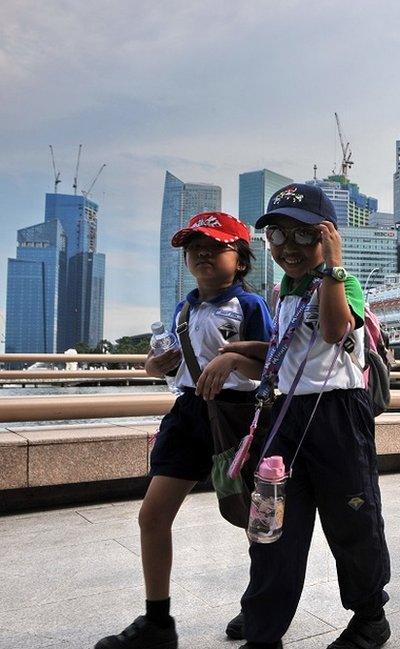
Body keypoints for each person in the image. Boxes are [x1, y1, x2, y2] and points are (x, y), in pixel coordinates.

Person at [96, 212, 271, 649]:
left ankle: (265, 604)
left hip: (237, 416)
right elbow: (171, 361)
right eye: (194, 248)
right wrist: (155, 366)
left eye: (215, 246)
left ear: (241, 260)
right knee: (152, 515)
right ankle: (158, 622)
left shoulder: (250, 306)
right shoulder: (185, 308)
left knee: (255, 520)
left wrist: (234, 360)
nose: (202, 254)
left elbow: (273, 365)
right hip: (189, 414)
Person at [240, 184, 391, 649]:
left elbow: (332, 330)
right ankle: (263, 628)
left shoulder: (343, 283)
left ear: (325, 236)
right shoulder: (281, 292)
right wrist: (232, 356)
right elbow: (283, 354)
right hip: (285, 414)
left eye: (302, 235)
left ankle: (369, 617)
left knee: (353, 519)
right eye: (277, 236)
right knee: (272, 525)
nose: (288, 248)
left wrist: (332, 267)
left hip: (337, 413)